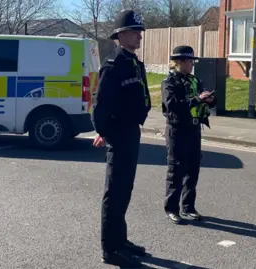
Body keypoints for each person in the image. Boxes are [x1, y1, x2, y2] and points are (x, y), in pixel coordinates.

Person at [91, 9, 151, 268]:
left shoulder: (135, 63)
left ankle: (121, 240)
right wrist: (103, 131)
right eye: (134, 31)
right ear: (121, 34)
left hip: (132, 132)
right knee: (114, 193)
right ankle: (110, 248)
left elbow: (144, 96)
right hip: (118, 133)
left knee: (125, 190)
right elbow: (101, 103)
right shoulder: (113, 65)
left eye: (140, 31)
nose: (139, 36)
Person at [161, 45, 216, 224]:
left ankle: (188, 207)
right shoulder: (170, 82)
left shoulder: (194, 80)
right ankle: (172, 208)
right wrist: (196, 99)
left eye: (193, 60)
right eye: (189, 60)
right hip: (177, 130)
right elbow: (172, 106)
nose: (192, 64)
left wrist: (209, 100)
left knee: (193, 169)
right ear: (179, 62)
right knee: (176, 169)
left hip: (193, 129)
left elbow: (201, 102)